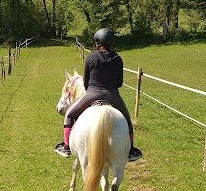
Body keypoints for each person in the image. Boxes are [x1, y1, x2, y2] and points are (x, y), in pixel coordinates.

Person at [55, 28, 143, 162]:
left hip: (92, 94)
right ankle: (131, 150)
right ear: (111, 42)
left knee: (69, 114)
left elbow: (86, 81)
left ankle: (66, 147)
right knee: (127, 121)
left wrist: (91, 89)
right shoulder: (117, 59)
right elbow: (119, 83)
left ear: (97, 41)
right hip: (113, 95)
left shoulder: (91, 57)